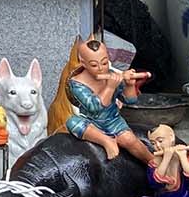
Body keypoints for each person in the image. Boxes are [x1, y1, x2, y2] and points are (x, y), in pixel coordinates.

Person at [63, 32, 153, 164]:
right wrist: (109, 87)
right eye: (94, 65)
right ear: (83, 63)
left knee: (130, 140)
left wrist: (129, 85)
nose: (101, 68)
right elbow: (95, 107)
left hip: (113, 121)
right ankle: (106, 141)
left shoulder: (112, 75)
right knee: (72, 122)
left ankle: (153, 162)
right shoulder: (76, 84)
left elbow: (130, 101)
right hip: (91, 123)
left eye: (104, 63)